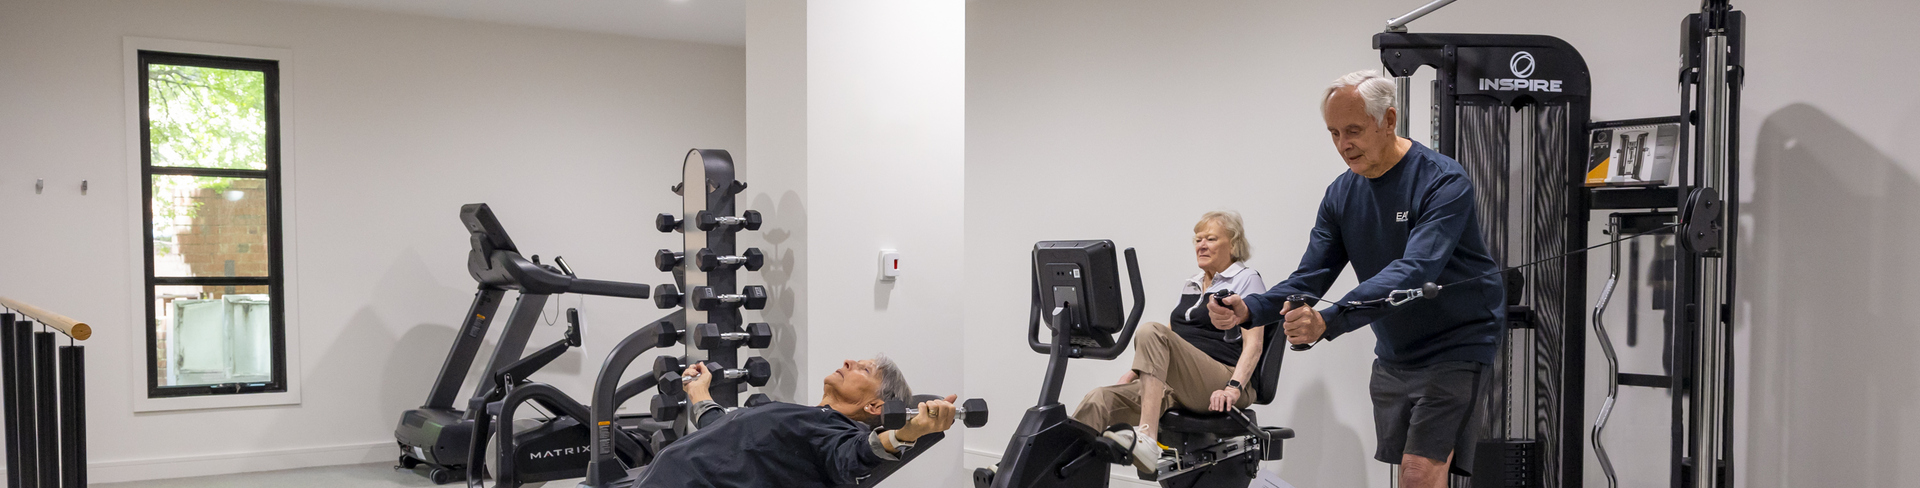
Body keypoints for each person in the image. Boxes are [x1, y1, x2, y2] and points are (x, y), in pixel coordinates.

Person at [1208, 70, 1505, 488]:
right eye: (1333, 133)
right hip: (1395, 349)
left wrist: (1330, 320)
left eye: (1353, 130)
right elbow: (1311, 275)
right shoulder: (1341, 194)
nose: (1343, 144)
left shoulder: (1442, 180)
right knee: (1407, 471)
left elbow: (1416, 270)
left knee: (1419, 473)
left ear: (1388, 120)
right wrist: (1249, 309)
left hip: (1457, 343)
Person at [1073, 211, 1270, 473]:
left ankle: (1146, 438)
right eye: (1198, 239)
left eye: (1210, 238)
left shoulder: (1246, 279)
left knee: (1150, 330)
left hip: (1221, 378)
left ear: (1232, 244)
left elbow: (1254, 344)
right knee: (1099, 399)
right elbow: (1172, 333)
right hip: (1179, 385)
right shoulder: (1193, 284)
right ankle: (1063, 473)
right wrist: (1133, 372)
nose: (1201, 245)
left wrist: (1233, 388)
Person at [635, 356, 958, 488]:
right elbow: (721, 428)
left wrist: (909, 432)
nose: (848, 361)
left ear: (875, 405)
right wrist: (698, 391)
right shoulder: (807, 419)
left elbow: (858, 456)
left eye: (864, 369)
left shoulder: (839, 432)